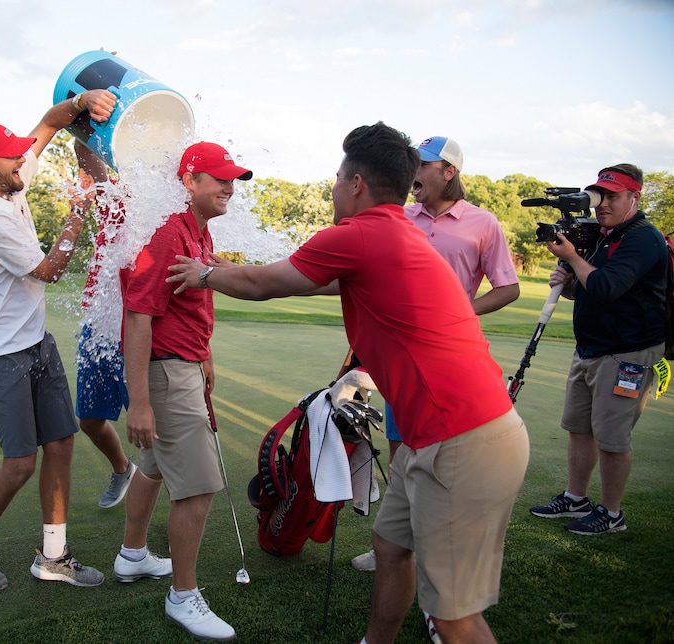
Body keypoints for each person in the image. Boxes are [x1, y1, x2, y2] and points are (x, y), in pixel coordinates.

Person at [167, 123, 530, 643]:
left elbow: (264, 285)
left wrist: (203, 274)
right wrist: (226, 267)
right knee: (391, 547)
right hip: (439, 435)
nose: (333, 187)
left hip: (463, 438)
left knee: (454, 617)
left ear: (356, 183)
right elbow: (306, 278)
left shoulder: (362, 233)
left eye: (337, 177)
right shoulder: (393, 231)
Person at [0, 86, 117, 593]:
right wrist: (78, 209)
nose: (23, 157)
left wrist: (82, 101)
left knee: (61, 444)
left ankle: (53, 556)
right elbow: (48, 270)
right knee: (21, 463)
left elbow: (47, 124)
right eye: (11, 154)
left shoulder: (8, 181)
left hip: (34, 342)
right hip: (0, 355)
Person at [351, 136, 520, 583]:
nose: (415, 175)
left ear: (449, 172)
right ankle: (393, 544)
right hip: (398, 359)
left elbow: (508, 286)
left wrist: (464, 311)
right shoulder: (401, 217)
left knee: (438, 450)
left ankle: (429, 547)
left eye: (423, 166)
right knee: (400, 448)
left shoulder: (482, 223)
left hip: (448, 359)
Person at [118, 142, 252, 642]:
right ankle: (183, 596)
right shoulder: (168, 232)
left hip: (185, 366)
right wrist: (140, 401)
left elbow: (188, 306)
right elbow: (138, 317)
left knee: (152, 468)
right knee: (197, 488)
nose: (229, 187)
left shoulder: (199, 230)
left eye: (231, 179)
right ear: (190, 181)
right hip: (167, 375)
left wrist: (206, 357)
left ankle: (132, 555)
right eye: (219, 179)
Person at [530, 164, 667, 535]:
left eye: (612, 196)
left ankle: (611, 512)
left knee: (611, 435)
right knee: (578, 428)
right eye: (599, 196)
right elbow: (590, 289)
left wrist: (574, 259)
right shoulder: (604, 237)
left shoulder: (642, 239)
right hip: (591, 347)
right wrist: (569, 279)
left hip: (627, 352)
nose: (602, 204)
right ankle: (576, 497)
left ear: (634, 197)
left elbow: (606, 287)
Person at [75, 182, 137, 509]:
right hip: (98, 326)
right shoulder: (114, 199)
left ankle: (178, 511)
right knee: (89, 420)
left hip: (138, 332)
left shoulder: (161, 209)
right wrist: (81, 126)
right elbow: (88, 161)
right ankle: (123, 470)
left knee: (156, 436)